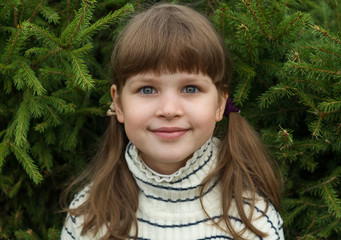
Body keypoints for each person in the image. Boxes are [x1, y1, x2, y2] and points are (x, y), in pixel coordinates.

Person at [61, 3, 284, 240]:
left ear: (220, 103)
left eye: (190, 88)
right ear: (118, 104)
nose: (169, 110)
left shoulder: (252, 218)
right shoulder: (88, 216)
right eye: (147, 89)